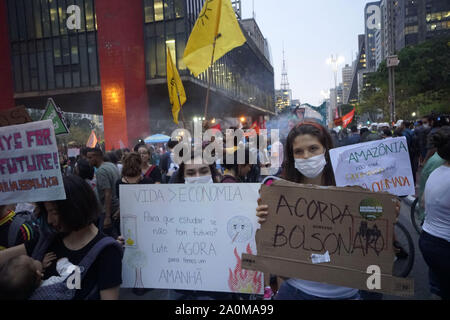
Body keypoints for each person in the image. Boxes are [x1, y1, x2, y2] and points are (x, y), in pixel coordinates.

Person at [255, 122, 361, 300]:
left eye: (313, 149)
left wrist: (385, 216)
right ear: (292, 156)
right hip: (297, 291)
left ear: (326, 149)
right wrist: (263, 219)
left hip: (348, 292)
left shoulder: (351, 185)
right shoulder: (279, 193)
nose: (306, 156)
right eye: (299, 151)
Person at [0, 175, 123, 300]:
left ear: (75, 207)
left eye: (54, 212)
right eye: (47, 212)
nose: (49, 220)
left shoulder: (107, 252)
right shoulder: (48, 238)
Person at [419, 126, 450, 300]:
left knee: (437, 287)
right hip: (445, 245)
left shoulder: (436, 171)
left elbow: (423, 201)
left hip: (428, 239)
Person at [87, 148, 121, 238]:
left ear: (97, 157)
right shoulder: (111, 165)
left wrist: (107, 217)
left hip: (110, 211)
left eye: (90, 158)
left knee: (107, 238)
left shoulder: (101, 171)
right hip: (117, 208)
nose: (88, 160)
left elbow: (107, 193)